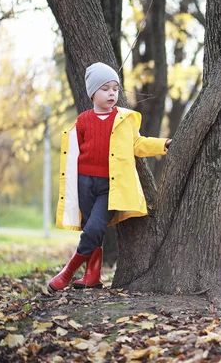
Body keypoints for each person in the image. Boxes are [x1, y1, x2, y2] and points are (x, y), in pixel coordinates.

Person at [49, 62, 172, 292]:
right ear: (93, 93)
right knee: (90, 228)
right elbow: (75, 151)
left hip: (110, 186)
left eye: (115, 88)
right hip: (84, 182)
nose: (112, 93)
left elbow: (138, 144)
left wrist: (163, 144)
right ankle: (92, 276)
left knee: (95, 227)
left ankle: (67, 272)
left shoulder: (123, 120)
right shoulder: (83, 120)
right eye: (105, 88)